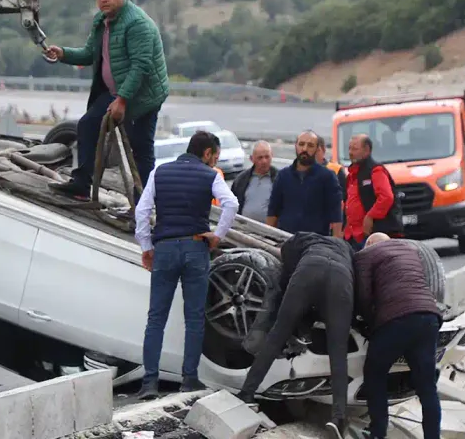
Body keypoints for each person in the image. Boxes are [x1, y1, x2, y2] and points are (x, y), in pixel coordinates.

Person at [44, 0, 170, 202]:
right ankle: (82, 185)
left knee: (140, 149)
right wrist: (63, 53)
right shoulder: (102, 21)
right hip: (114, 92)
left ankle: (141, 204)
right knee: (87, 125)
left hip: (143, 97)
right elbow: (90, 53)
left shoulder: (137, 24)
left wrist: (122, 100)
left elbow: (140, 66)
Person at [134, 131, 238, 400]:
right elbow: (231, 203)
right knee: (194, 318)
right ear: (206, 153)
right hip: (195, 248)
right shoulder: (210, 176)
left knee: (156, 318)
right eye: (215, 157)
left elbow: (142, 212)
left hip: (165, 249)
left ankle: (149, 383)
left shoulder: (160, 171)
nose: (215, 163)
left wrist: (146, 247)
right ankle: (189, 379)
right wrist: (218, 235)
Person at [235, 231, 355, 439]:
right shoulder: (347, 248)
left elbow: (284, 278)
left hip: (308, 269)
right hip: (341, 278)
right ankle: (339, 417)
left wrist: (296, 321)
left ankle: (247, 393)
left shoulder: (296, 241)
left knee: (277, 336)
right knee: (339, 352)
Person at [353, 233, 443, 439]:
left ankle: (377, 432)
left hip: (397, 319)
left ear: (369, 244)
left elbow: (363, 295)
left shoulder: (365, 255)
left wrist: (368, 322)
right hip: (429, 318)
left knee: (375, 373)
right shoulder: (410, 251)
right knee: (427, 386)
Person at [266, 131, 343, 237]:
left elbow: (336, 214)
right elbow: (273, 211)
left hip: (316, 243)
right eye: (301, 144)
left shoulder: (328, 177)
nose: (305, 149)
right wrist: (268, 238)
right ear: (296, 146)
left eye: (310, 146)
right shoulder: (283, 176)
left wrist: (336, 244)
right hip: (285, 240)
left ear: (317, 149)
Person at [344, 134, 403, 251]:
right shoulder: (351, 174)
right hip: (353, 235)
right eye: (349, 148)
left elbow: (386, 197)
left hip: (372, 235)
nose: (350, 152)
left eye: (355, 149)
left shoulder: (376, 171)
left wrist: (370, 216)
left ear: (366, 150)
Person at [230, 140, 278, 223]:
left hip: (271, 232)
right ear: (252, 159)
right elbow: (232, 204)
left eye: (267, 157)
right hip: (244, 230)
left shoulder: (279, 178)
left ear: (272, 156)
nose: (264, 161)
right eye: (260, 158)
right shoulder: (241, 179)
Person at [316, 136, 347, 203]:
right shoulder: (300, 171)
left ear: (323, 149)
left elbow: (343, 197)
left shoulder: (336, 170)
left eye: (317, 150)